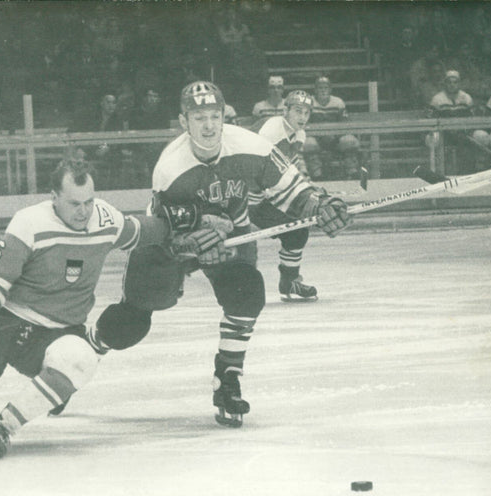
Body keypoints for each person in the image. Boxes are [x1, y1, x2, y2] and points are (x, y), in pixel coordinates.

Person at [84, 81, 352, 427]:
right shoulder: (171, 168)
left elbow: (292, 190)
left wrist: (319, 204)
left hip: (231, 232)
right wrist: (192, 243)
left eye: (215, 116)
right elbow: (165, 229)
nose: (209, 126)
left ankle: (228, 379)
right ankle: (82, 354)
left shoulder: (251, 147)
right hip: (171, 241)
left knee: (247, 292)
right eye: (199, 118)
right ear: (184, 123)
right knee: (131, 323)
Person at [0, 159, 174, 459]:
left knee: (80, 358)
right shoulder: (29, 223)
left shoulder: (105, 220)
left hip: (54, 333)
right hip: (5, 321)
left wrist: (185, 227)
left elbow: (146, 230)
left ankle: (2, 427)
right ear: (54, 197)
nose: (83, 212)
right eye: (74, 203)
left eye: (89, 202)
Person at [257, 89, 323, 302]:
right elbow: (253, 168)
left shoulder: (299, 133)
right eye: (297, 111)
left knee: (298, 227)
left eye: (306, 112)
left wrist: (307, 186)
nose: (302, 117)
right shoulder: (271, 131)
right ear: (285, 110)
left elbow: (290, 165)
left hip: (263, 192)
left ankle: (289, 281)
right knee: (236, 240)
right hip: (244, 193)